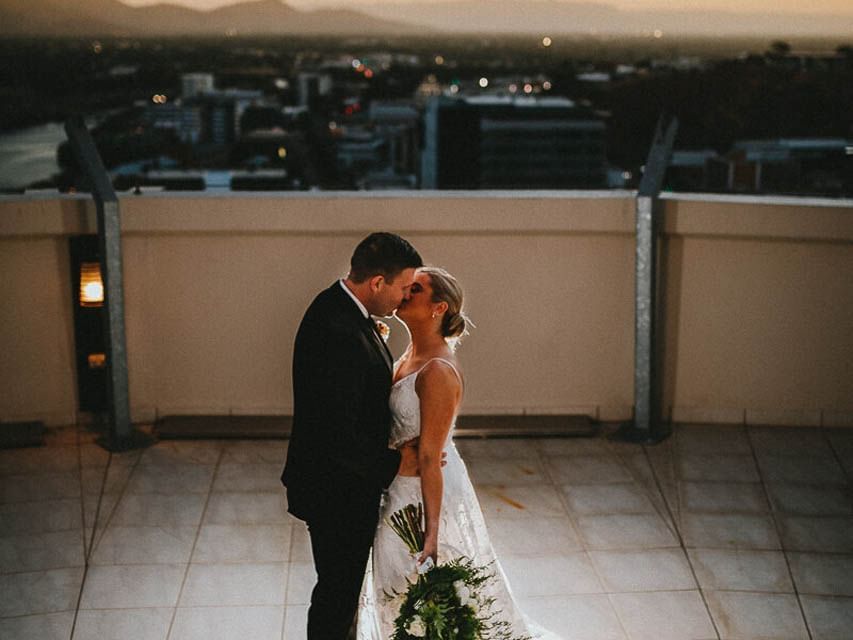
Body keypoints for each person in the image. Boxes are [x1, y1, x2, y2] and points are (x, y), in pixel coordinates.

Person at [357, 267, 562, 640]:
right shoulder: (407, 357)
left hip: (421, 497)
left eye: (415, 289)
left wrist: (433, 533)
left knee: (421, 600)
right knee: (396, 594)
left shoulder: (437, 370)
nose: (404, 291)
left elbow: (431, 457)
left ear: (439, 308)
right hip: (395, 487)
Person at [281, 232, 423, 640]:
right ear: (377, 283)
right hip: (335, 489)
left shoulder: (338, 307)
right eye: (401, 287)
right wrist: (397, 463)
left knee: (339, 592)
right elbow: (336, 433)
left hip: (339, 483)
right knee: (337, 596)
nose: (404, 297)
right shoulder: (338, 332)